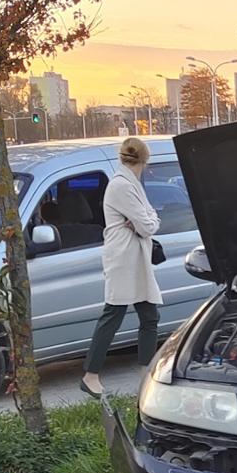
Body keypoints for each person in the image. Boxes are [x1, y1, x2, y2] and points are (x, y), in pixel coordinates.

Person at [81, 138, 162, 396]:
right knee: (113, 315)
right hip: (124, 260)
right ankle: (90, 375)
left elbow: (151, 220)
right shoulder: (122, 186)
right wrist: (144, 221)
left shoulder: (130, 184)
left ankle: (145, 372)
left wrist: (143, 221)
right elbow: (149, 224)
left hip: (134, 259)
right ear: (145, 160)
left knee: (149, 316)